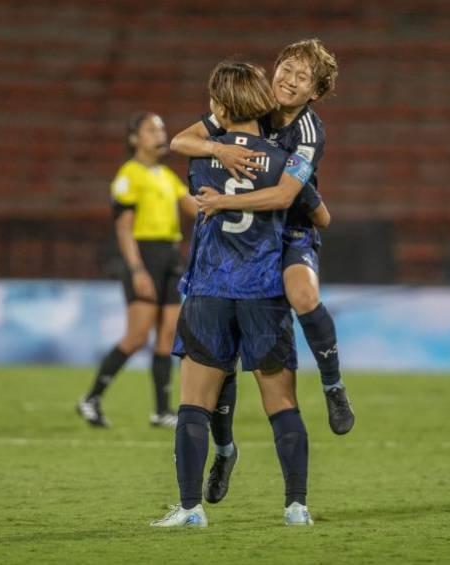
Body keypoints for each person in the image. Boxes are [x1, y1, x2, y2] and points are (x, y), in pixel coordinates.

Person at [170, 38, 353, 506]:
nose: (288, 80)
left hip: (287, 233)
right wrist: (221, 149)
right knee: (221, 368)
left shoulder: (309, 131)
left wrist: (223, 197)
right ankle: (227, 451)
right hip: (234, 262)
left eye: (301, 77)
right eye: (285, 69)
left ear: (315, 92)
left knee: (304, 297)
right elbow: (181, 139)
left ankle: (333, 386)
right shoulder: (255, 107)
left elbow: (290, 199)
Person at [151, 60, 315, 528]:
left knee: (193, 406)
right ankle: (296, 506)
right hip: (264, 292)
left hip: (210, 291)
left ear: (221, 106)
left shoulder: (203, 154)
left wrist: (218, 145)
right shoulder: (285, 160)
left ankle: (189, 508)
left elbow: (189, 149)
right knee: (282, 405)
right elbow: (316, 214)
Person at [77, 112, 198, 428]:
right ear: (134, 139)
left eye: (161, 127)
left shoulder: (166, 176)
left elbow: (198, 210)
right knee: (137, 335)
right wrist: (136, 269)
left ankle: (161, 411)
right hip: (143, 256)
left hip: (170, 256)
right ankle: (91, 398)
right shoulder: (128, 176)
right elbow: (123, 229)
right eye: (151, 129)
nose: (159, 133)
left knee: (168, 334)